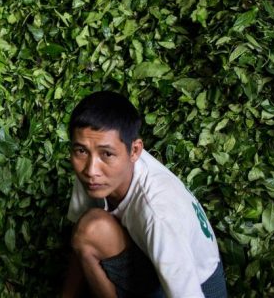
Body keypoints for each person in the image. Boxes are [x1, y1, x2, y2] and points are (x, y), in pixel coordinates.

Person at [61, 91, 227, 298]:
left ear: (135, 151)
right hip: (153, 265)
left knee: (94, 228)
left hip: (198, 288)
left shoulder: (159, 212)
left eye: (107, 154)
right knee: (91, 228)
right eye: (81, 151)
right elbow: (80, 243)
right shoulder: (94, 171)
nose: (91, 170)